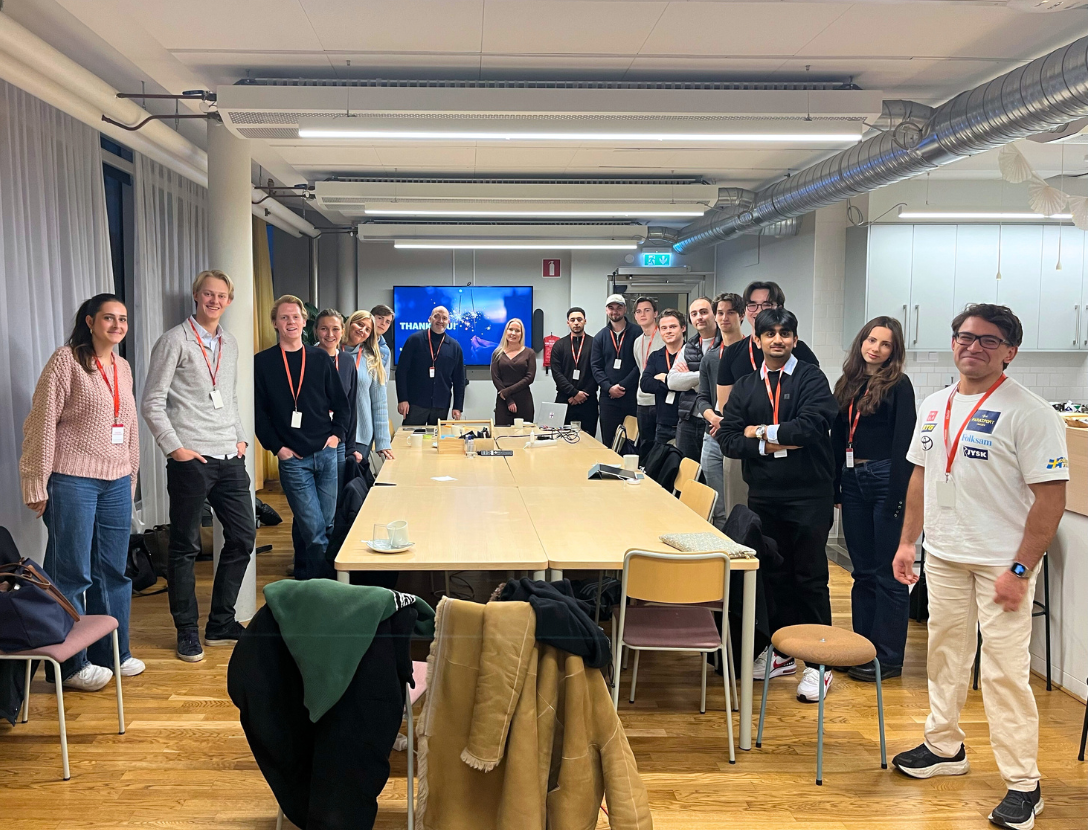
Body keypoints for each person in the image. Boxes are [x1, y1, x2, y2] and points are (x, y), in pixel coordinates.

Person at [890, 304, 1067, 830]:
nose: (973, 347)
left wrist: (1019, 569)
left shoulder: (1030, 412)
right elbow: (921, 478)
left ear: (1010, 351)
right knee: (945, 654)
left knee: (1003, 673)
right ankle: (944, 746)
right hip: (944, 554)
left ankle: (1024, 783)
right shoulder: (936, 403)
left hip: (1000, 565)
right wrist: (908, 544)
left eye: (988, 341)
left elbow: (1050, 499)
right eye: (965, 337)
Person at [20, 294, 143, 690]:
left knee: (114, 572)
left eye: (122, 319)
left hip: (115, 481)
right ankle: (72, 665)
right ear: (90, 321)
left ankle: (114, 652)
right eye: (109, 318)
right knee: (70, 572)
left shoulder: (122, 366)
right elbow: (40, 424)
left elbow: (130, 427)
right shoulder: (65, 360)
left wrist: (131, 475)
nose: (117, 325)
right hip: (72, 479)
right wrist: (36, 481)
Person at [718, 307, 838, 703]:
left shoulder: (811, 378)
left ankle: (820, 663)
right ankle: (783, 653)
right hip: (765, 494)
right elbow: (730, 440)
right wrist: (773, 439)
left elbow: (812, 427)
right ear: (757, 340)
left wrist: (760, 433)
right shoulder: (747, 385)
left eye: (785, 333)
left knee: (808, 576)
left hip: (808, 494)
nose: (777, 340)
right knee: (771, 575)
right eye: (770, 334)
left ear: (794, 339)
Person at [141, 270, 255, 663]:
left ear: (229, 301)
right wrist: (175, 449)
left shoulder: (230, 343)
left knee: (243, 537)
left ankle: (221, 622)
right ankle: (187, 629)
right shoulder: (174, 340)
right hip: (192, 460)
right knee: (184, 547)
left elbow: (230, 398)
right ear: (196, 296)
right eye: (208, 294)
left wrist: (240, 439)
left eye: (221, 295)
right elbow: (152, 401)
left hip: (229, 456)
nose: (214, 300)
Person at [831, 317, 915, 682]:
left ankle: (888, 658)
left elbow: (904, 444)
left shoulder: (899, 384)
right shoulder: (849, 382)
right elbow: (837, 435)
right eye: (871, 339)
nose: (875, 348)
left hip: (884, 479)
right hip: (852, 480)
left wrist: (900, 495)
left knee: (888, 574)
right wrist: (836, 483)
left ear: (893, 351)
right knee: (861, 572)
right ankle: (862, 649)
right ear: (861, 342)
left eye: (885, 344)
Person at [255, 296, 350, 580]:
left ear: (304, 321)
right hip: (293, 460)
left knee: (328, 527)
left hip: (326, 453)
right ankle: (326, 592)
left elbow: (342, 405)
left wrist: (336, 437)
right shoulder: (263, 363)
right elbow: (259, 414)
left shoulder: (320, 358)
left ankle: (313, 582)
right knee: (315, 531)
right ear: (275, 323)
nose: (291, 322)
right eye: (284, 317)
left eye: (295, 317)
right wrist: (278, 448)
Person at [717, 281, 820, 411]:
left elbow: (814, 402)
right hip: (745, 429)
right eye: (752, 305)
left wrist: (771, 430)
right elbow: (725, 408)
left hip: (789, 428)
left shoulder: (798, 350)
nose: (759, 311)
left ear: (780, 308)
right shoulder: (732, 352)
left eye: (767, 304)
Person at [695, 292, 745, 527]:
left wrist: (729, 424)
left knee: (738, 504)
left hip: (740, 436)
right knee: (718, 506)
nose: (725, 318)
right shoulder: (711, 357)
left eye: (731, 312)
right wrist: (713, 418)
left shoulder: (752, 354)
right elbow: (702, 398)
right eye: (721, 313)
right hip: (712, 436)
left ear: (742, 315)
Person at [395, 305, 465, 425]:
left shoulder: (455, 347)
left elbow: (459, 380)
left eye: (444, 318)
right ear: (429, 319)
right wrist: (403, 399)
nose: (440, 321)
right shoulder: (414, 340)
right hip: (415, 403)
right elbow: (401, 372)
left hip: (441, 405)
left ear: (449, 321)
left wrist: (457, 407)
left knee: (436, 441)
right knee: (411, 440)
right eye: (436, 317)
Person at [314, 309, 357, 492]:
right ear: (316, 330)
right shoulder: (307, 357)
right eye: (324, 328)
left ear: (342, 331)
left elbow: (351, 405)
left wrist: (350, 446)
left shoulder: (347, 361)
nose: (330, 334)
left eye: (335, 329)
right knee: (309, 501)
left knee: (333, 498)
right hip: (311, 440)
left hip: (338, 441)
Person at [672, 296, 719, 462]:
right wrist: (705, 376)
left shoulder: (726, 343)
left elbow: (725, 382)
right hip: (688, 420)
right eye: (694, 313)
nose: (699, 316)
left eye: (704, 312)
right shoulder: (689, 346)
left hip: (715, 422)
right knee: (686, 473)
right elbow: (673, 381)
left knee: (711, 474)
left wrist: (690, 380)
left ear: (715, 314)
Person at [347, 310, 394, 465]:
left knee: (352, 485)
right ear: (349, 323)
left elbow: (379, 403)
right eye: (359, 324)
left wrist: (383, 441)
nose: (362, 330)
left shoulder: (372, 360)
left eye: (368, 329)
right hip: (328, 434)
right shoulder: (326, 353)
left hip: (360, 435)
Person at [591, 294, 638, 448]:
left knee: (632, 442)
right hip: (608, 398)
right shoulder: (600, 337)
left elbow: (640, 364)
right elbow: (596, 367)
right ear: (606, 310)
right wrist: (609, 387)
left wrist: (623, 385)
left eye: (619, 308)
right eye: (611, 308)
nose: (615, 311)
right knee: (609, 442)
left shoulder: (637, 333)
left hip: (631, 396)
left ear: (625, 309)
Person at [639, 309, 687, 445]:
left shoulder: (692, 354)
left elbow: (695, 385)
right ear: (659, 331)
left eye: (673, 327)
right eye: (664, 328)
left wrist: (664, 379)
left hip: (687, 424)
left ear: (683, 328)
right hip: (663, 423)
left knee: (687, 464)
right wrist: (678, 382)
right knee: (662, 464)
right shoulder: (656, 356)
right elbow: (645, 384)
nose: (668, 331)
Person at [550, 307, 599, 436]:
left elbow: (597, 371)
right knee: (561, 440)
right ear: (568, 322)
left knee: (588, 441)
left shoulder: (595, 343)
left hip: (588, 400)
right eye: (572, 320)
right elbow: (556, 373)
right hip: (564, 399)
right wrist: (574, 393)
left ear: (585, 321)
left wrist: (582, 394)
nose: (576, 322)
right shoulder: (559, 345)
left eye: (579, 319)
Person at [631, 297, 663, 460]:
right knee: (645, 445)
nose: (642, 314)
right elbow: (640, 368)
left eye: (647, 310)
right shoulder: (637, 342)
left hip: (660, 400)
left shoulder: (664, 336)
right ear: (635, 316)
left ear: (655, 313)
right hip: (642, 400)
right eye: (638, 311)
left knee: (660, 447)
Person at [490, 318, 536, 426]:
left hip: (523, 401)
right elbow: (496, 378)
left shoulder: (529, 353)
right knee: (502, 436)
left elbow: (530, 377)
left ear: (521, 334)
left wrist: (507, 391)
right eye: (510, 329)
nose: (513, 333)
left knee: (524, 435)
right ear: (506, 331)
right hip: (503, 401)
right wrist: (508, 399)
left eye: (517, 330)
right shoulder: (497, 353)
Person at [371, 303, 395, 377]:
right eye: (380, 318)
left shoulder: (386, 350)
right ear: (371, 318)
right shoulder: (358, 342)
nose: (383, 323)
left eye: (387, 322)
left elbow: (383, 381)